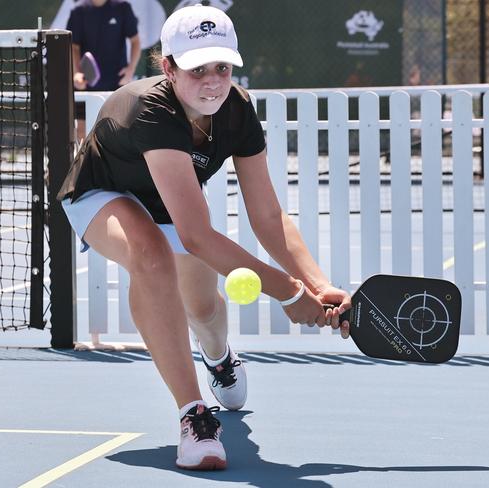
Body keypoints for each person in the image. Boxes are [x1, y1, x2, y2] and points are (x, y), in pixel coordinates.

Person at [58, 4, 351, 471]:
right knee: (151, 257)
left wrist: (316, 284)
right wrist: (289, 293)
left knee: (204, 307)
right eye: (197, 69)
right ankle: (194, 416)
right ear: (168, 67)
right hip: (102, 193)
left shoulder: (238, 108)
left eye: (222, 66)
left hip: (172, 203)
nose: (213, 80)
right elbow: (195, 235)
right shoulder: (149, 108)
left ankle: (219, 358)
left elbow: (269, 216)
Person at [67, 0, 141, 139]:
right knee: (82, 132)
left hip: (116, 85)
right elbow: (74, 47)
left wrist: (130, 70)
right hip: (86, 84)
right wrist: (76, 73)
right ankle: (85, 161)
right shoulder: (78, 11)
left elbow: (135, 41)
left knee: (116, 132)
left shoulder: (122, 7)